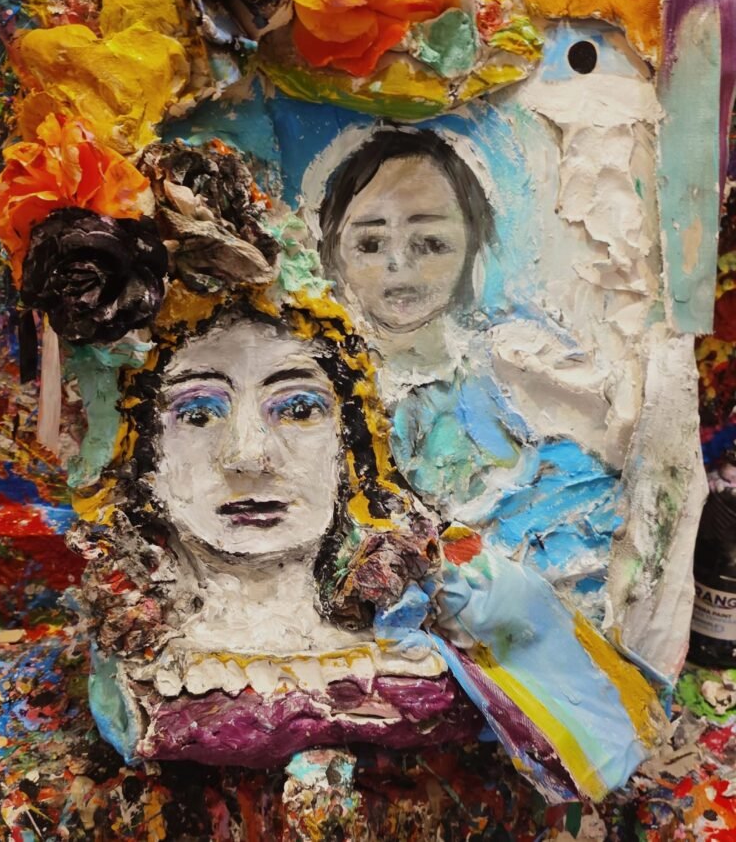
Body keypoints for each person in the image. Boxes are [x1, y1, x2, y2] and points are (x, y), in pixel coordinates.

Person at [73, 287, 664, 801]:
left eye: (298, 409)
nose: (248, 457)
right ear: (145, 451)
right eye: (199, 414)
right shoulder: (146, 668)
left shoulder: (446, 615)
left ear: (351, 443)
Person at [316, 126, 623, 606]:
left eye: (430, 243)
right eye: (371, 244)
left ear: (474, 246)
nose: (398, 264)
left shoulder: (515, 368)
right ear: (333, 254)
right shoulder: (318, 392)